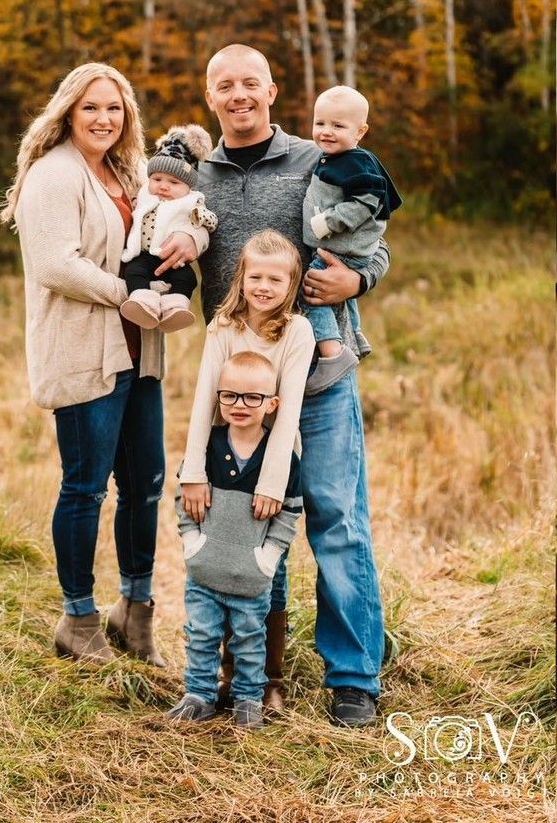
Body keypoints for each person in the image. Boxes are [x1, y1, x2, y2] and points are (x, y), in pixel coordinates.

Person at [176, 43, 388, 728]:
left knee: (335, 518)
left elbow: (374, 237)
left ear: (272, 90)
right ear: (210, 99)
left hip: (321, 374)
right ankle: (254, 673)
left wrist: (360, 279)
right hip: (242, 386)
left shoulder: (316, 155)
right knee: (248, 517)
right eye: (223, 86)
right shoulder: (195, 179)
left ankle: (353, 676)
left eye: (250, 84)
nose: (238, 95)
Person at [0, 63, 209, 665]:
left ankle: (135, 612)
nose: (103, 119)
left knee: (144, 485)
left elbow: (182, 213)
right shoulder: (54, 174)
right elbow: (53, 265)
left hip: (140, 351)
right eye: (91, 108)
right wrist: (128, 296)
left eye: (114, 109)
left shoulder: (128, 171)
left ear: (128, 116)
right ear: (68, 111)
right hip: (86, 352)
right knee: (86, 488)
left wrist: (192, 238)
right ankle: (79, 617)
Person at [178, 229, 312, 713]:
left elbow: (290, 411)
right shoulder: (222, 328)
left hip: (272, 459)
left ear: (290, 284)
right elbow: (201, 402)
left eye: (275, 279)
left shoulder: (298, 331)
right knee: (220, 561)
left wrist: (274, 481)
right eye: (255, 276)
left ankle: (266, 679)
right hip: (219, 457)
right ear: (241, 277)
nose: (263, 286)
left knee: (265, 566)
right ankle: (220, 675)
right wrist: (193, 469)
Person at [168, 350, 303, 728]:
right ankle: (198, 695)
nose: (240, 405)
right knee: (201, 635)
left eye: (253, 398)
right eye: (229, 395)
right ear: (218, 398)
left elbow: (291, 512)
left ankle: (248, 700)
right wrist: (193, 543)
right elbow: (183, 496)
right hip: (205, 572)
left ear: (272, 403)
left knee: (248, 639)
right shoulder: (206, 448)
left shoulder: (281, 457)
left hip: (251, 574)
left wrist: (269, 557)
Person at [302, 85, 401, 393]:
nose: (326, 132)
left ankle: (332, 354)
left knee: (310, 292)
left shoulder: (357, 162)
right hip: (340, 248)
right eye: (320, 124)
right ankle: (355, 336)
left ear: (360, 131)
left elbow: (369, 199)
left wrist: (328, 222)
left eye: (338, 126)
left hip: (339, 249)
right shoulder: (332, 157)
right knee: (340, 297)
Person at [120, 124, 217, 333]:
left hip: (172, 258)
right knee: (134, 271)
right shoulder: (145, 194)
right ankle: (143, 303)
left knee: (187, 278)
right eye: (157, 179)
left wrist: (200, 219)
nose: (163, 186)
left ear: (188, 187)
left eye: (173, 182)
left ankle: (176, 307)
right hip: (144, 254)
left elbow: (210, 221)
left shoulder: (192, 201)